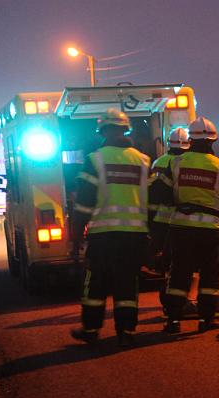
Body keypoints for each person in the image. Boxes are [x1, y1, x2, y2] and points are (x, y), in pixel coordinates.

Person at [69, 108, 151, 347]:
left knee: (96, 284)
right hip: (135, 236)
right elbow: (151, 202)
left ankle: (92, 330)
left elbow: (84, 202)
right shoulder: (144, 161)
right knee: (127, 284)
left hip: (103, 237)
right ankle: (127, 332)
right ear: (125, 129)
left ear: (103, 131)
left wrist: (76, 235)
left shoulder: (95, 159)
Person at [160, 116, 219, 334]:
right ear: (213, 141)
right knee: (209, 275)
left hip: (182, 227)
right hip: (211, 230)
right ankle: (206, 319)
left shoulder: (176, 162)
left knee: (180, 273)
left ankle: (173, 321)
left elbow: (163, 193)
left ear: (191, 139)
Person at [148, 127, 190, 273]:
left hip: (161, 217)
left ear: (168, 143)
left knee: (160, 252)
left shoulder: (159, 162)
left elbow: (153, 190)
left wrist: (150, 217)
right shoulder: (189, 162)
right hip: (185, 218)